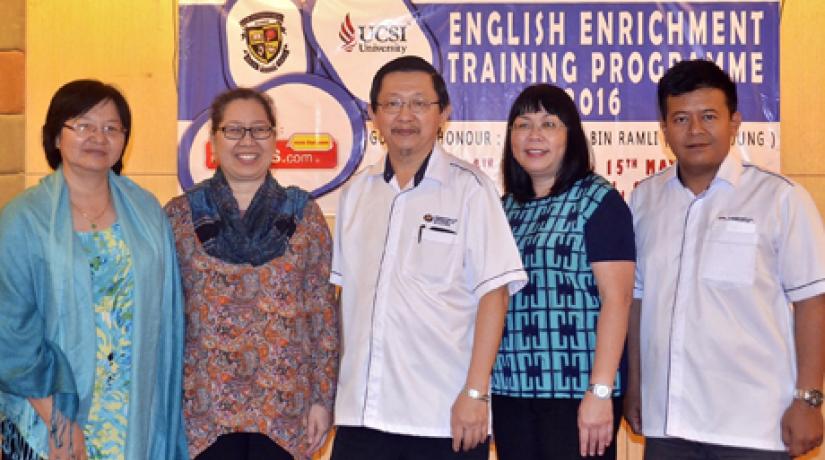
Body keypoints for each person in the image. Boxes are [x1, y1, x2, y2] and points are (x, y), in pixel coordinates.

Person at [328, 55, 528, 460]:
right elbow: (343, 299)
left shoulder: (471, 189)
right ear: (374, 114)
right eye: (393, 103)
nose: (406, 115)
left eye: (420, 103)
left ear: (444, 113)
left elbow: (494, 294)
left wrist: (475, 392)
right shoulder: (356, 194)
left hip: (441, 418)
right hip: (361, 416)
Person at [625, 59, 825, 459]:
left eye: (709, 116)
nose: (695, 130)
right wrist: (635, 384)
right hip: (669, 423)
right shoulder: (644, 199)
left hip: (752, 425)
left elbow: (812, 302)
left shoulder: (781, 199)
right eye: (680, 118)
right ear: (664, 129)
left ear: (735, 122)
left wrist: (809, 399)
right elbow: (638, 300)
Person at [0, 79, 188, 459]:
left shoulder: (147, 211)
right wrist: (59, 421)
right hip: (51, 408)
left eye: (110, 128)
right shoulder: (25, 217)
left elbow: (165, 318)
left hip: (133, 409)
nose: (97, 137)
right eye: (83, 125)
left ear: (124, 140)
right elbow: (11, 329)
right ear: (56, 137)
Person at [164, 88, 339, 460]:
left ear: (275, 138)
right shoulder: (179, 217)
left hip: (285, 411)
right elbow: (163, 320)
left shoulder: (305, 215)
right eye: (234, 130)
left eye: (259, 130)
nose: (248, 141)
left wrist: (322, 401)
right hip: (202, 414)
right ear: (213, 139)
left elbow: (323, 317)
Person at [490, 84, 635, 460]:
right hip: (510, 390)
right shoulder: (503, 209)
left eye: (549, 123)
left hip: (578, 394)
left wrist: (600, 392)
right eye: (523, 124)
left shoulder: (598, 200)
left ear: (570, 136)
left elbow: (616, 300)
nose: (534, 135)